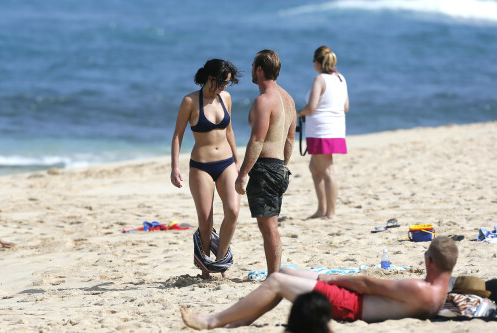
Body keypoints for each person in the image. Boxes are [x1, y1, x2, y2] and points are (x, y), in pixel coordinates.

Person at [180, 236, 458, 329]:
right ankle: (241, 320)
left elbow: (366, 284)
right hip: (359, 303)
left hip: (351, 306)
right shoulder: (440, 289)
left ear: (430, 261)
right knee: (287, 271)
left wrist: (329, 277)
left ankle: (212, 321)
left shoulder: (420, 288)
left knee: (277, 280)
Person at [171, 59, 241, 279]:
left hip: (227, 163)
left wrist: (238, 162)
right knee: (205, 221)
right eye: (223, 82)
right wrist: (174, 167)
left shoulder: (226, 98)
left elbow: (229, 131)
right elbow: (177, 135)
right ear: (211, 78)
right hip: (201, 166)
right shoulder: (190, 101)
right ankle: (205, 271)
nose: (226, 86)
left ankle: (220, 261)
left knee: (233, 211)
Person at [234, 50, 297, 276]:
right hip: (279, 166)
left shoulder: (264, 101)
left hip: (265, 168)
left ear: (259, 70)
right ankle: (275, 273)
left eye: (252, 66)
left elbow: (257, 140)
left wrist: (243, 174)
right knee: (270, 226)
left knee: (269, 228)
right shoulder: (288, 99)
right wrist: (283, 166)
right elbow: (290, 139)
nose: (251, 69)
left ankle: (273, 276)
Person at [297, 46, 349, 220]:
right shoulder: (340, 78)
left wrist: (299, 113)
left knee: (327, 171)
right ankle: (322, 209)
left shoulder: (320, 79)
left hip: (321, 130)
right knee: (314, 168)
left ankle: (330, 213)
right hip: (335, 129)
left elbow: (311, 107)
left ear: (318, 63)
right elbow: (346, 107)